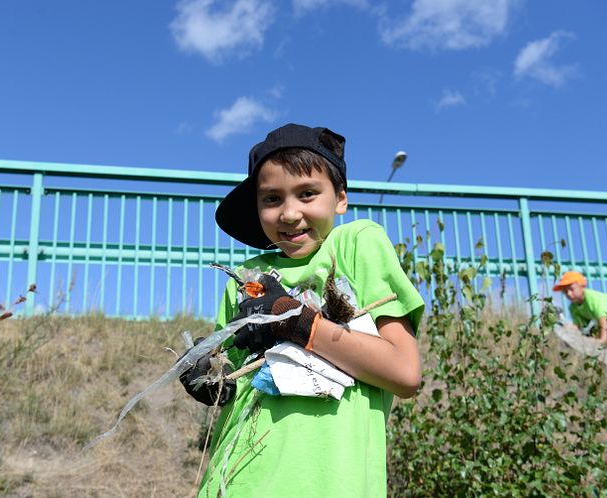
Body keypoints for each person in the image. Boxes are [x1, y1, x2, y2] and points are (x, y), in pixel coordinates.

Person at [178, 123, 425, 497]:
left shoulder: (357, 244)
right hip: (237, 483)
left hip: (329, 482)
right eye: (272, 199)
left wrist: (295, 319)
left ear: (340, 198)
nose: (290, 214)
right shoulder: (245, 277)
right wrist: (209, 377)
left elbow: (404, 372)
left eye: (307, 194)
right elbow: (232, 383)